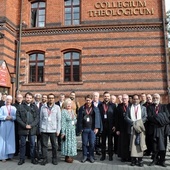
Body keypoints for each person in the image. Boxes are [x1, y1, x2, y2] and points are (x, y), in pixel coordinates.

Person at [16, 92, 39, 165]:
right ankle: (22, 159)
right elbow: (18, 117)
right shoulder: (20, 106)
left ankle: (33, 158)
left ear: (32, 99)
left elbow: (37, 118)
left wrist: (31, 125)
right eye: (27, 97)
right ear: (25, 98)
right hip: (22, 129)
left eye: (30, 98)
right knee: (22, 144)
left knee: (32, 144)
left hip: (32, 129)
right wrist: (24, 125)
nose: (28, 99)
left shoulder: (35, 107)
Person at [124, 94, 147, 167]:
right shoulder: (129, 108)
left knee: (140, 144)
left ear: (139, 99)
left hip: (140, 129)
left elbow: (145, 117)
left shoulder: (143, 108)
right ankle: (133, 160)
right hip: (132, 128)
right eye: (134, 99)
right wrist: (133, 123)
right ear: (132, 100)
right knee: (132, 145)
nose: (135, 100)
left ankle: (140, 160)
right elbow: (126, 117)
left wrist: (138, 124)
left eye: (137, 99)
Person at [147, 93, 169, 167]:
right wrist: (159, 118)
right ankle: (154, 160)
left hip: (162, 130)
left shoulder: (164, 107)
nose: (155, 98)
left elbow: (166, 117)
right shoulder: (149, 107)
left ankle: (162, 161)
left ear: (159, 98)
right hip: (153, 129)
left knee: (163, 146)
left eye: (157, 97)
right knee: (154, 146)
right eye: (154, 97)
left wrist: (156, 117)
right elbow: (149, 117)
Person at [77, 94, 100, 163]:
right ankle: (84, 156)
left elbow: (97, 118)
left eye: (89, 100)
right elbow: (79, 119)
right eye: (87, 100)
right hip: (84, 129)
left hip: (92, 129)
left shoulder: (95, 108)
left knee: (92, 143)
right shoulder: (82, 108)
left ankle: (91, 156)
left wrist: (97, 127)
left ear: (91, 100)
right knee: (84, 143)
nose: (88, 101)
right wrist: (80, 128)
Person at [40, 93, 61, 166]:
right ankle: (44, 159)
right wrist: (40, 128)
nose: (50, 99)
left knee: (54, 146)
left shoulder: (57, 107)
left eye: (52, 98)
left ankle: (54, 159)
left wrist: (58, 130)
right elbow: (41, 119)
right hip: (44, 129)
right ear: (47, 99)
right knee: (44, 146)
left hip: (53, 130)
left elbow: (59, 120)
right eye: (49, 98)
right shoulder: (43, 107)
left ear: (54, 99)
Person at [98, 91, 116, 161]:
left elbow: (115, 116)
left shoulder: (113, 105)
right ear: (103, 97)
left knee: (110, 141)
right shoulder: (100, 105)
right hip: (103, 125)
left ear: (109, 97)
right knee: (103, 141)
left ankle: (110, 155)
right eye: (105, 96)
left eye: (108, 96)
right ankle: (103, 155)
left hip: (110, 126)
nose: (106, 97)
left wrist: (114, 125)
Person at [0, 95, 17, 162]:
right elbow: (0, 116)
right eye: (7, 99)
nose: (8, 101)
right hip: (3, 125)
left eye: (9, 100)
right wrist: (5, 117)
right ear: (5, 100)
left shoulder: (13, 108)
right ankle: (2, 156)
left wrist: (12, 117)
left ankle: (10, 155)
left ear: (11, 101)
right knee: (3, 140)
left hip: (11, 125)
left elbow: (16, 116)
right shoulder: (2, 108)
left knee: (10, 140)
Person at [61, 98, 77, 163]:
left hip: (72, 130)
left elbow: (75, 119)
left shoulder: (73, 111)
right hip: (67, 130)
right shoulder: (64, 111)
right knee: (67, 143)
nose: (69, 105)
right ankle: (67, 156)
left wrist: (75, 122)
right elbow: (63, 122)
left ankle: (71, 155)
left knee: (72, 144)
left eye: (70, 104)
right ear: (65, 105)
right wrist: (63, 132)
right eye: (67, 104)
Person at [116, 94, 131, 162]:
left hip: (130, 127)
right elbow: (117, 118)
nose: (124, 100)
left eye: (125, 98)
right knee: (122, 143)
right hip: (121, 127)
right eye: (123, 98)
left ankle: (130, 157)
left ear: (128, 99)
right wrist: (117, 129)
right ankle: (123, 157)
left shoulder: (131, 106)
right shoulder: (119, 106)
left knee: (129, 142)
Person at [92, 92, 102, 156]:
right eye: (94, 96)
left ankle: (98, 149)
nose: (95, 97)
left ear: (98, 97)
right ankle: (92, 150)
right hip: (92, 124)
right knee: (93, 138)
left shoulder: (101, 104)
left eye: (96, 96)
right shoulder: (90, 104)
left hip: (99, 123)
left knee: (98, 137)